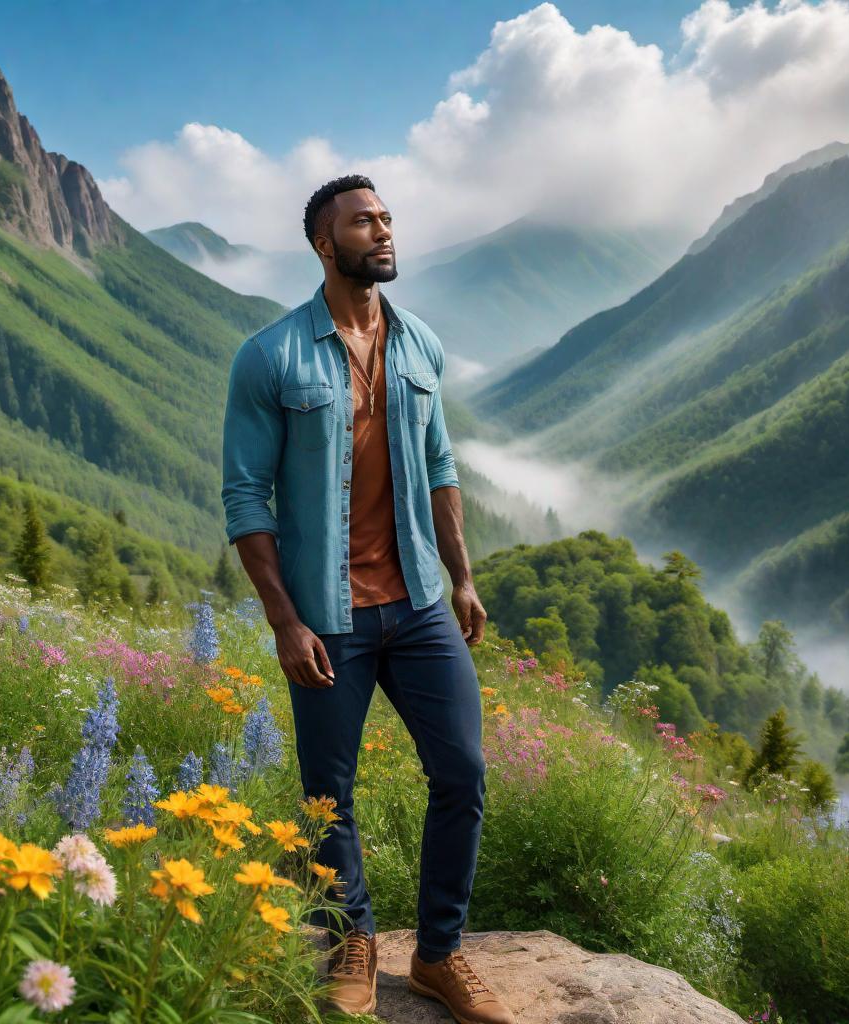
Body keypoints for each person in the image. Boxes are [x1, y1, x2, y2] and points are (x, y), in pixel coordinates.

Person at [220, 173, 515, 1024]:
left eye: (387, 217)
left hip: (421, 601)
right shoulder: (271, 355)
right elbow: (246, 498)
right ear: (325, 243)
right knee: (327, 795)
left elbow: (442, 469)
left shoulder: (420, 341)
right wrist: (284, 621)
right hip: (327, 617)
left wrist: (461, 575)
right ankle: (352, 942)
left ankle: (439, 955)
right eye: (363, 221)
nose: (383, 231)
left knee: (462, 771)